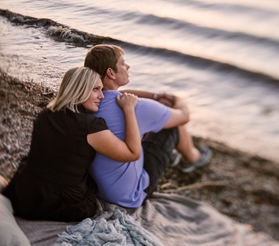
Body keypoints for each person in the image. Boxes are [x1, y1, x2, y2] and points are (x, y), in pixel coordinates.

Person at [3, 67, 141, 222]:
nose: (101, 96)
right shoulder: (91, 126)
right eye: (96, 89)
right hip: (64, 205)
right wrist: (129, 109)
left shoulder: (45, 114)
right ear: (79, 89)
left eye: (102, 90)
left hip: (24, 196)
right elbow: (132, 153)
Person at [84, 44, 212, 208]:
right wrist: (176, 99)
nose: (127, 66)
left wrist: (156, 96)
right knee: (172, 124)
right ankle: (193, 158)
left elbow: (121, 94)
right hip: (130, 195)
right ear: (111, 73)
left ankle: (175, 153)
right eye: (123, 63)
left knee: (149, 122)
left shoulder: (89, 101)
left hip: (99, 189)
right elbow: (184, 117)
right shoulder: (138, 108)